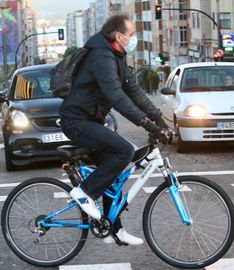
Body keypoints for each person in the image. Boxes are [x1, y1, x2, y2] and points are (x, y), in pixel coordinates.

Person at [59, 14, 170, 245]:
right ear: (118, 36)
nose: (133, 38)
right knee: (123, 151)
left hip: (89, 120)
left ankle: (114, 228)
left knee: (115, 171)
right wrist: (145, 123)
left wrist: (159, 119)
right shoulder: (101, 57)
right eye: (131, 34)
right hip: (75, 120)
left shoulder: (116, 56)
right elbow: (116, 96)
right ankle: (85, 192)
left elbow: (134, 91)